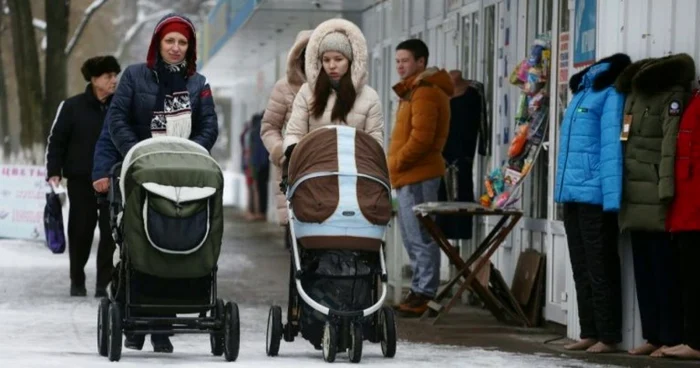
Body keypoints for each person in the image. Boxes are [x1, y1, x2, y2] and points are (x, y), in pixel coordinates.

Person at [94, 13, 218, 354]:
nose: (176, 48)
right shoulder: (135, 76)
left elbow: (208, 125)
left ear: (189, 47)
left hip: (181, 174)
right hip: (139, 170)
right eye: (170, 41)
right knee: (137, 242)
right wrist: (139, 151)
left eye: (182, 43)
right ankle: (136, 317)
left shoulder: (198, 83)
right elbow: (117, 118)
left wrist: (189, 153)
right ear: (158, 43)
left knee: (173, 238)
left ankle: (161, 325)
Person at [387, 39, 454, 317]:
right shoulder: (412, 91)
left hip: (417, 174)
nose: (401, 66)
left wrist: (398, 162)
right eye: (398, 61)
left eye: (406, 60)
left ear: (421, 62)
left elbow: (422, 139)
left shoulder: (425, 92)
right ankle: (419, 290)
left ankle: (425, 292)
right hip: (409, 175)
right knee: (412, 235)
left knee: (421, 237)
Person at [45, 55, 121, 298]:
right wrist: (54, 172)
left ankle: (104, 284)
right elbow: (56, 142)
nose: (114, 81)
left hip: (112, 180)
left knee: (111, 233)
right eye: (109, 76)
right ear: (94, 79)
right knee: (80, 231)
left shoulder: (120, 107)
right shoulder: (71, 107)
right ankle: (77, 279)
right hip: (80, 179)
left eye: (115, 76)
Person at [283, 18, 384, 153]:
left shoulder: (369, 97)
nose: (331, 66)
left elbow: (375, 139)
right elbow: (295, 132)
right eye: (326, 60)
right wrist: (292, 150)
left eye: (338, 59)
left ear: (350, 61)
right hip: (315, 167)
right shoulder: (306, 93)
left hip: (355, 168)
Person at [260, 30, 311, 239]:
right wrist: (280, 151)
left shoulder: (337, 88)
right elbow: (269, 127)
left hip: (328, 173)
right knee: (296, 244)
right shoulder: (284, 87)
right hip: (292, 172)